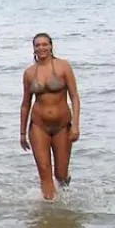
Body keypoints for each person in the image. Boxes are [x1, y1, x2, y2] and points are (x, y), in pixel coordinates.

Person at [19, 33, 82, 200]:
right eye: (37, 45)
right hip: (38, 126)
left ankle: (63, 187)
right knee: (44, 171)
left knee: (60, 173)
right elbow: (25, 103)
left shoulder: (63, 66)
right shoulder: (29, 73)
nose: (41, 48)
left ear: (51, 46)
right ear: (33, 48)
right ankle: (49, 214)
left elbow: (74, 97)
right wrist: (22, 133)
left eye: (44, 44)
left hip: (62, 125)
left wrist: (75, 125)